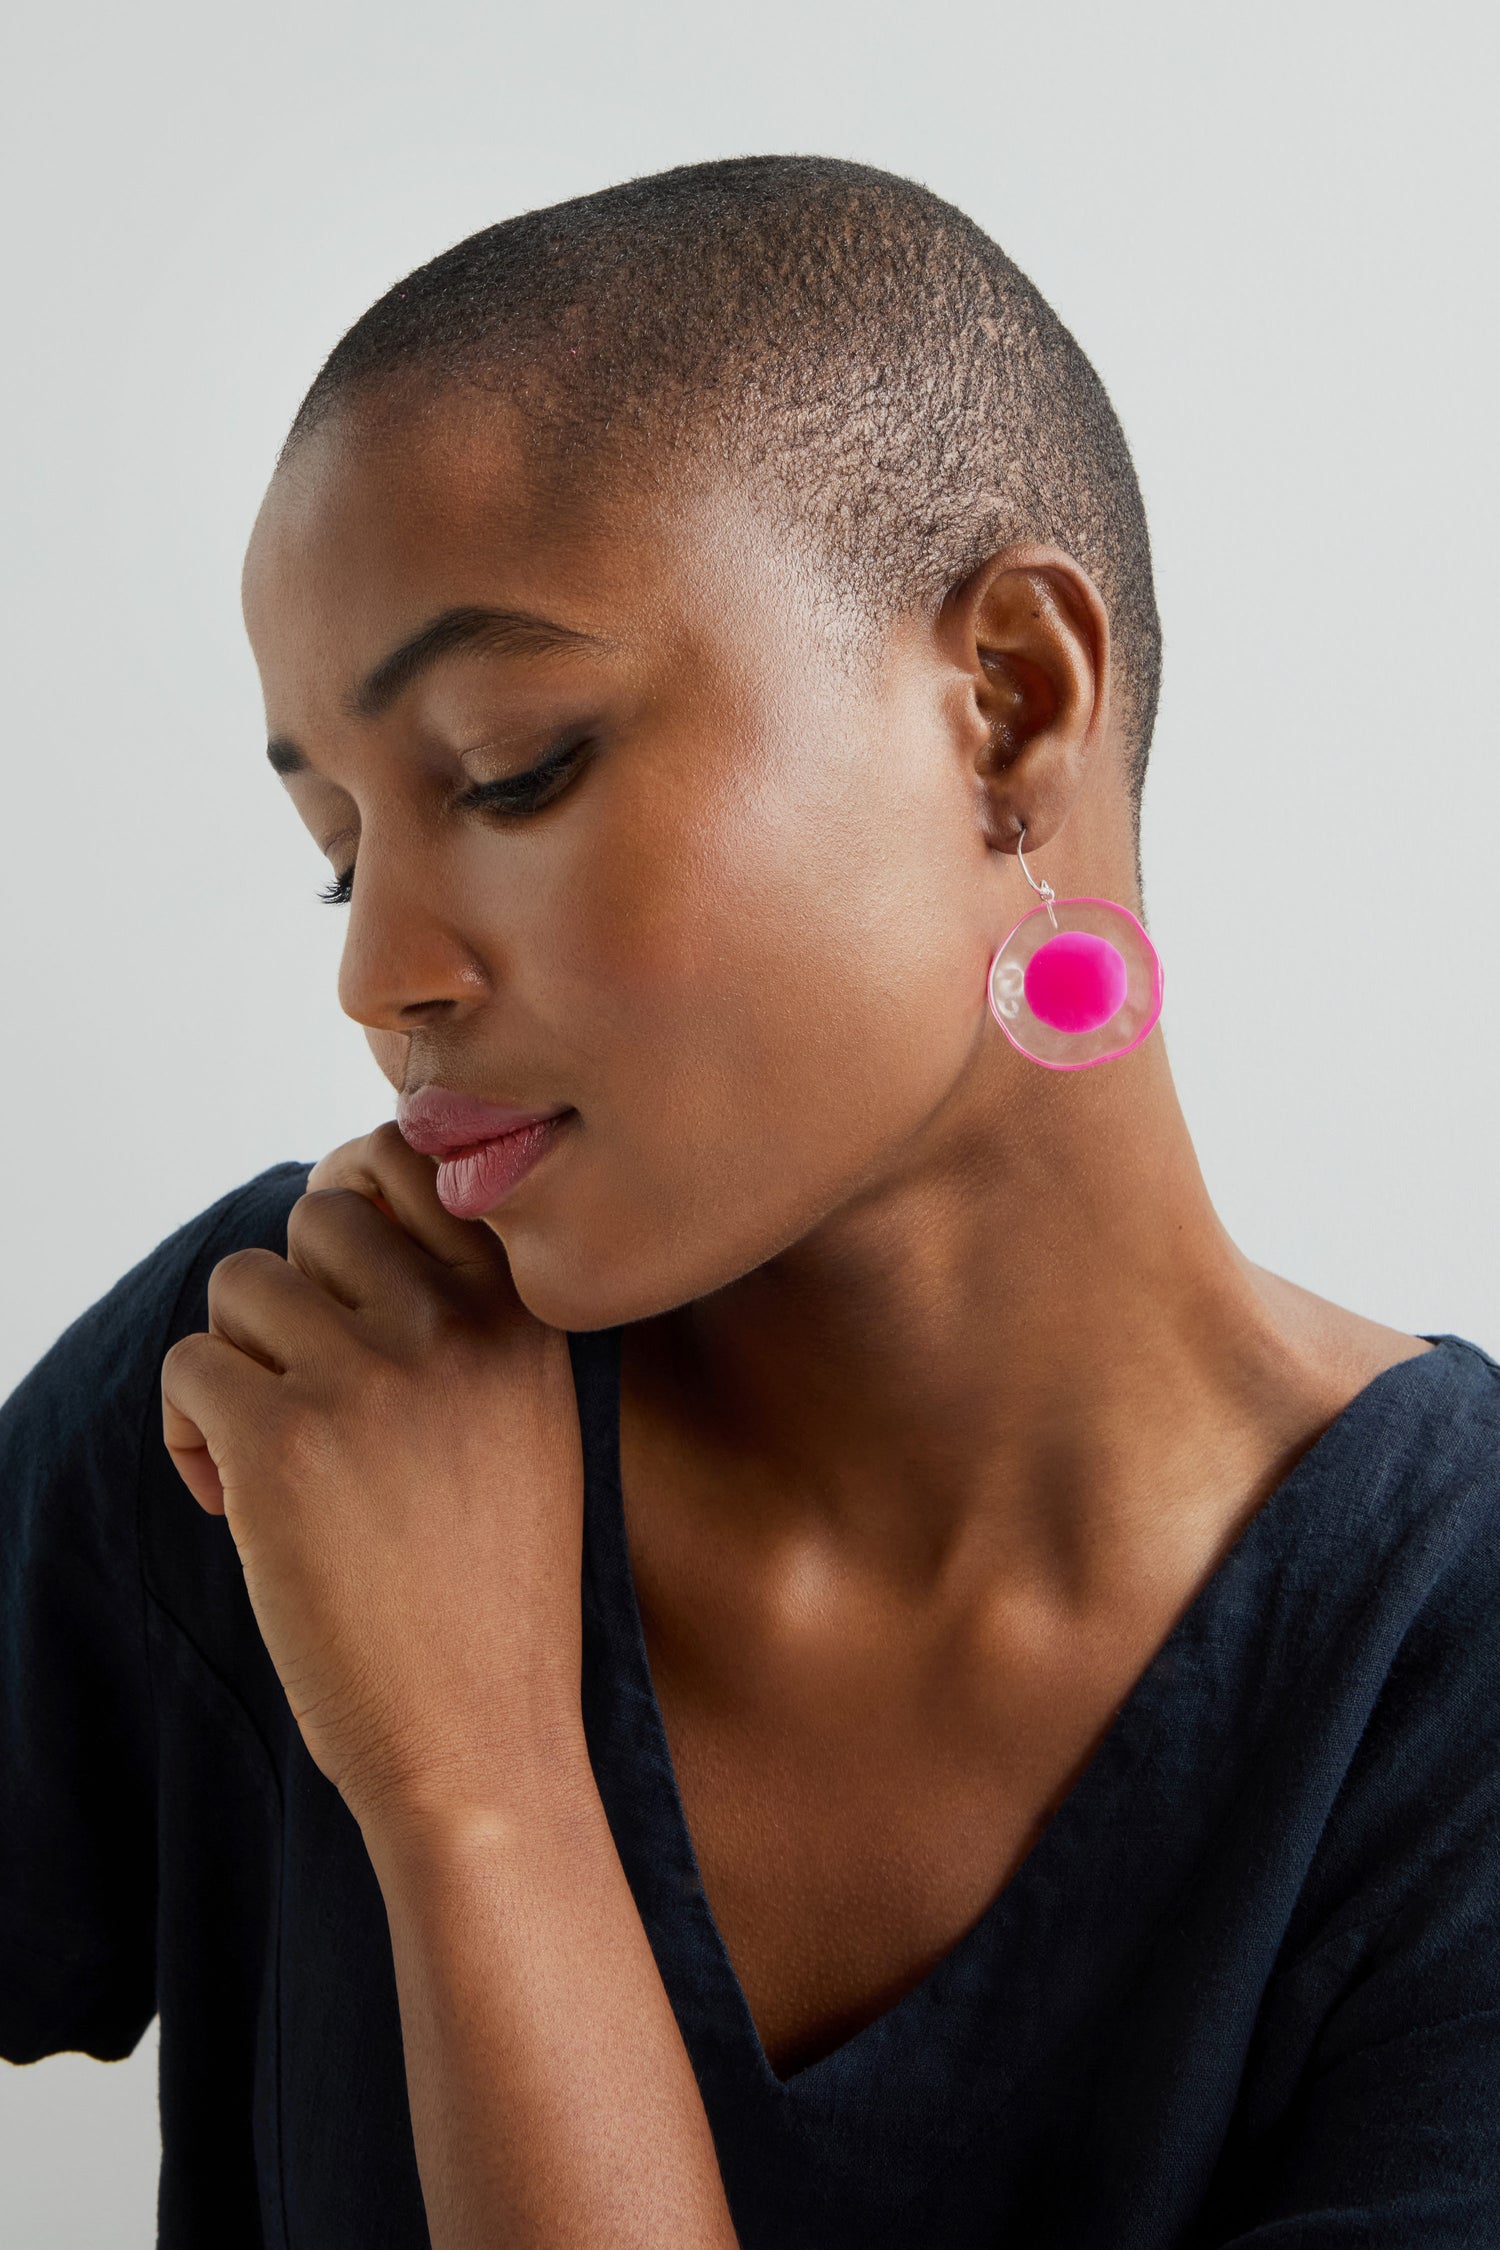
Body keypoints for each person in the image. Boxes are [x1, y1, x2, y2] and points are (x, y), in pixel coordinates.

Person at [3, 155, 1498, 2250]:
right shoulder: (289, 1387)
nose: (377, 976)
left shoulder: (1440, 1671)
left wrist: (483, 1796)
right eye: (343, 848)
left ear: (1012, 704)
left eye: (511, 766)